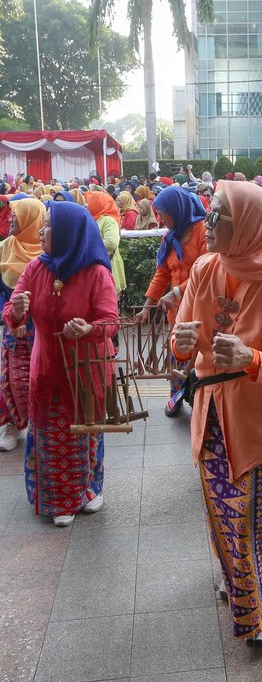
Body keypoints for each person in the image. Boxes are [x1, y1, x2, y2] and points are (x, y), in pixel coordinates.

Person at [172, 181, 262, 644]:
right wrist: (181, 345)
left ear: (246, 226)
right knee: (219, 510)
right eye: (209, 213)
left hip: (261, 422)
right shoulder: (205, 268)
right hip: (211, 413)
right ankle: (240, 581)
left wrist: (249, 358)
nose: (206, 224)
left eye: (218, 216)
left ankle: (260, 601)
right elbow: (181, 333)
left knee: (250, 517)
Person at [3, 204, 119, 525]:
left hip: (86, 368)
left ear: (69, 232)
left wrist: (88, 329)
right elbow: (13, 310)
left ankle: (89, 489)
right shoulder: (36, 268)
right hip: (48, 366)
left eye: (49, 227)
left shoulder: (96, 273)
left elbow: (111, 322)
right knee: (53, 431)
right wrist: (16, 309)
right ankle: (59, 499)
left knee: (86, 430)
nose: (41, 232)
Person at [134, 186, 207, 417]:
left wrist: (175, 292)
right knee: (176, 355)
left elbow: (207, 273)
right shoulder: (170, 236)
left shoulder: (202, 232)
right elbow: (161, 274)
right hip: (177, 312)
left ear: (178, 209)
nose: (159, 218)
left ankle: (199, 402)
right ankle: (175, 398)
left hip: (200, 310)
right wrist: (147, 307)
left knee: (198, 358)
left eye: (163, 213)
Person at [0, 199, 46, 451]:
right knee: (12, 378)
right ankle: (12, 424)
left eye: (15, 216)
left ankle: (40, 424)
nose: (9, 219)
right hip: (12, 324)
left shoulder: (48, 249)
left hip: (40, 327)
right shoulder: (5, 247)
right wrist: (10, 316)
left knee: (40, 376)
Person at [85, 191, 126, 298]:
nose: (86, 205)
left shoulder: (108, 220)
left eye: (89, 202)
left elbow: (111, 243)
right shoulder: (93, 219)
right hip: (96, 263)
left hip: (108, 264)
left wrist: (86, 244)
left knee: (107, 301)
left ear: (97, 203)